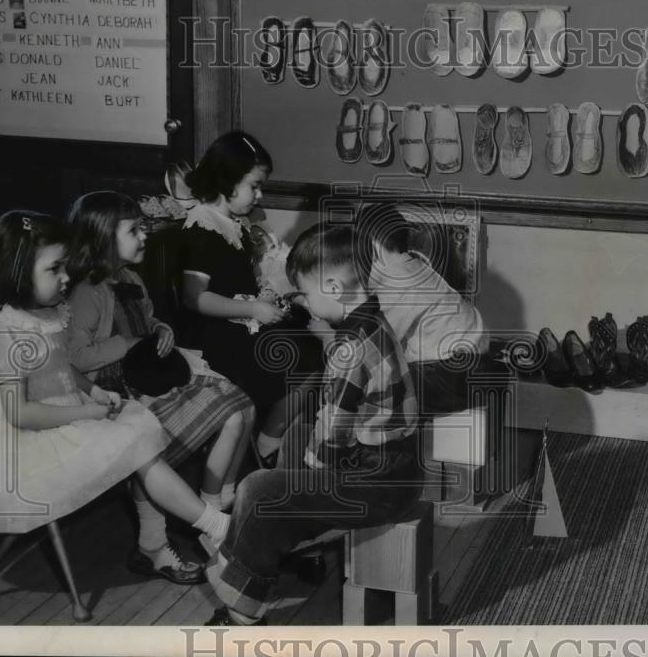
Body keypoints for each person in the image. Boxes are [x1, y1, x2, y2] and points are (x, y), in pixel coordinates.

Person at [0, 211, 231, 566]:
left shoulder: (51, 311)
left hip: (66, 409)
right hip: (23, 443)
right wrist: (86, 411)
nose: (65, 278)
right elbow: (20, 413)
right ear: (15, 270)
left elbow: (63, 366)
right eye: (54, 269)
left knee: (139, 437)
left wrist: (92, 391)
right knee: (134, 443)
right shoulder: (5, 331)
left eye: (65, 267)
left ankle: (206, 528)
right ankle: (213, 526)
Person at [202, 223, 423, 626]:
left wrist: (296, 482)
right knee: (299, 433)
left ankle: (242, 614)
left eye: (304, 292)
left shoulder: (348, 350)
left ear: (335, 289)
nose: (302, 301)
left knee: (258, 489)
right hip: (400, 469)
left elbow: (330, 442)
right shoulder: (373, 323)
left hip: (377, 486)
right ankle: (294, 542)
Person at [66, 191, 256, 583]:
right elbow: (79, 357)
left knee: (236, 404)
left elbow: (148, 322)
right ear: (102, 237)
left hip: (148, 375)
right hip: (113, 389)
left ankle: (209, 507)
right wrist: (133, 342)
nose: (144, 236)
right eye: (133, 230)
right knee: (152, 443)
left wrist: (160, 329)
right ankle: (158, 542)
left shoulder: (130, 278)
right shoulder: (88, 290)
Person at [178, 132, 320, 468]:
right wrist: (253, 308)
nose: (260, 195)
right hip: (217, 337)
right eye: (254, 186)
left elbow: (237, 279)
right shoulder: (201, 229)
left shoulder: (233, 224)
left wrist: (265, 295)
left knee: (314, 341)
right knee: (304, 356)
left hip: (243, 324)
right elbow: (195, 298)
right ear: (227, 180)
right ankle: (267, 445)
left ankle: (271, 440)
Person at [354, 202, 490, 414]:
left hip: (449, 375)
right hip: (477, 360)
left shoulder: (397, 281)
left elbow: (379, 343)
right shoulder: (417, 267)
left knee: (371, 387)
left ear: (373, 248)